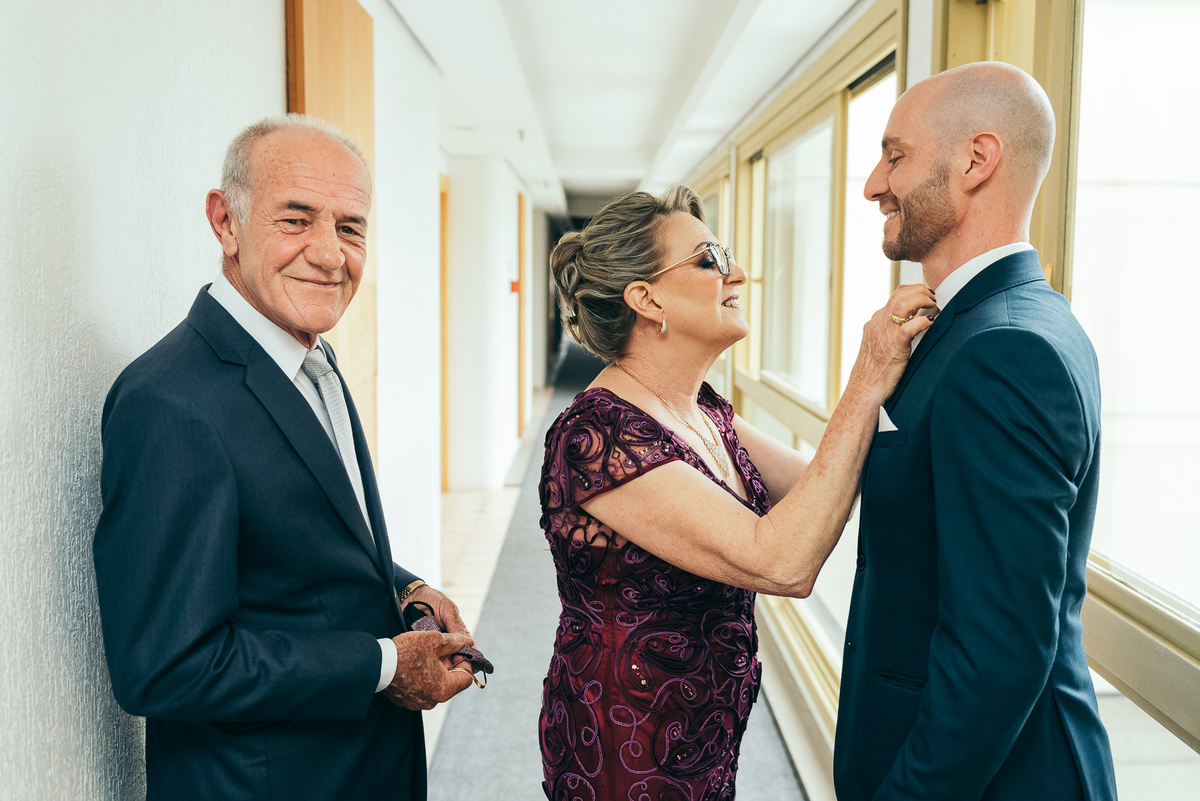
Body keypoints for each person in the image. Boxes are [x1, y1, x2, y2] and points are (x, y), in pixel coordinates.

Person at [93, 114, 477, 800]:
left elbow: (296, 549)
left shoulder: (311, 356)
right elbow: (165, 664)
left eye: (350, 227)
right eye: (296, 219)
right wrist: (387, 662)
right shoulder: (171, 402)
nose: (331, 255)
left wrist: (405, 587)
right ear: (225, 221)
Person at [538, 185, 935, 800]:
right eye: (710, 259)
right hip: (628, 738)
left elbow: (825, 486)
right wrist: (866, 377)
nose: (739, 273)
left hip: (701, 725)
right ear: (646, 300)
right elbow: (781, 560)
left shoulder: (703, 408)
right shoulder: (598, 434)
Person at [833, 62, 1117, 800]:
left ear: (975, 160)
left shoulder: (1003, 350)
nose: (872, 183)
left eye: (895, 155)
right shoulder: (995, 321)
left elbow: (997, 653)